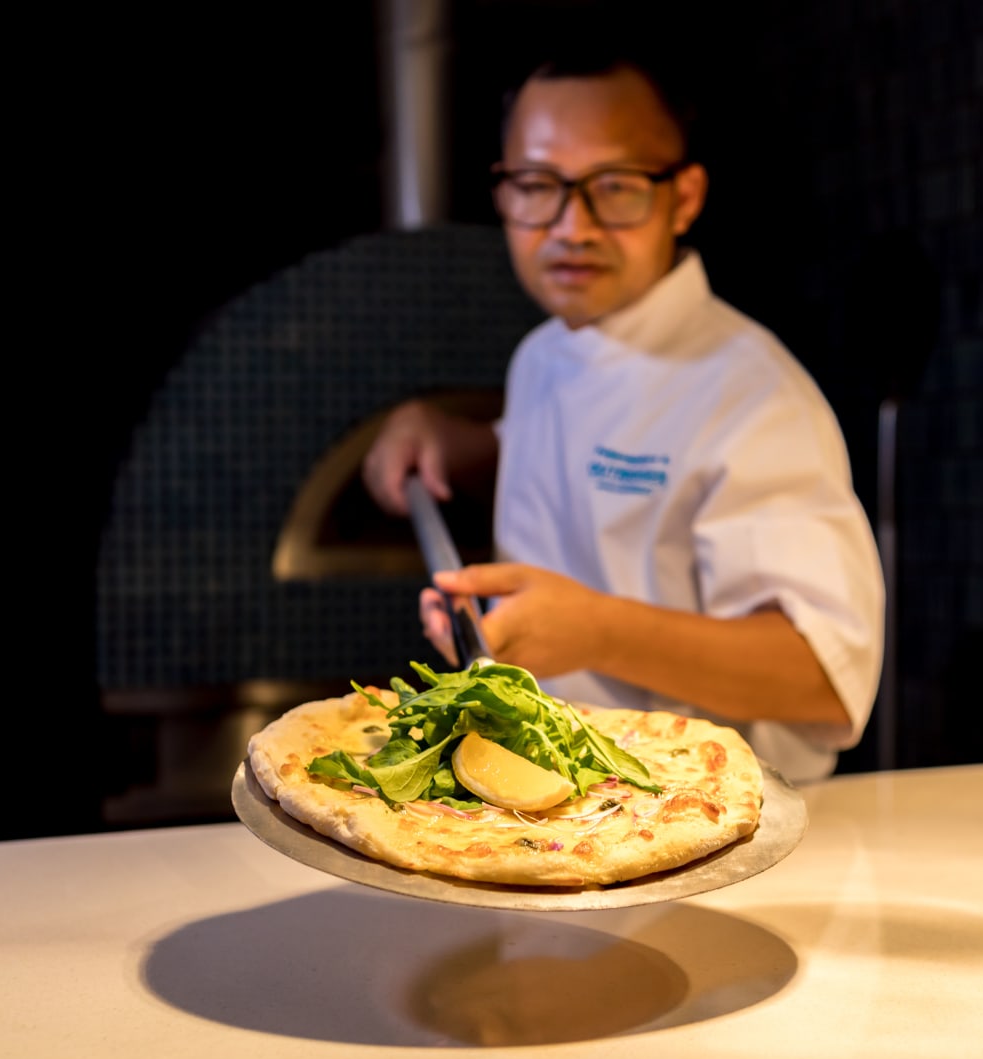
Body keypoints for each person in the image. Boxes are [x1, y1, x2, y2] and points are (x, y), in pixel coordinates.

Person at [362, 49, 883, 782]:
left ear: (685, 197)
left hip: (714, 807)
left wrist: (597, 633)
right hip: (565, 803)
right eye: (536, 186)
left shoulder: (753, 394)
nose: (572, 226)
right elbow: (577, 459)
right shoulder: (544, 355)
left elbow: (822, 676)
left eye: (614, 187)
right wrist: (449, 438)